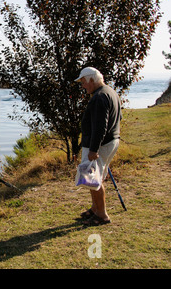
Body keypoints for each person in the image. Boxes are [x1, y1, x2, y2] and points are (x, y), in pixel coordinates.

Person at [75, 67, 122, 226]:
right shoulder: (110, 92)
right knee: (96, 177)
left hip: (100, 145)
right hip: (111, 141)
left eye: (83, 82)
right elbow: (118, 117)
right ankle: (95, 209)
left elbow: (100, 126)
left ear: (91, 80)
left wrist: (93, 149)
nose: (83, 86)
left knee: (93, 178)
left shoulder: (99, 97)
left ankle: (102, 215)